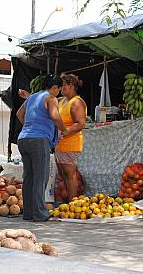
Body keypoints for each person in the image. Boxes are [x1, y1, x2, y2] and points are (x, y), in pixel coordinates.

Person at [16, 74, 68, 222]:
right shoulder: (50, 98)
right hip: (38, 141)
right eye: (58, 89)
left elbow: (19, 114)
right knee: (40, 177)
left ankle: (28, 213)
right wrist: (63, 129)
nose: (58, 92)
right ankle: (40, 213)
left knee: (29, 177)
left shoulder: (32, 98)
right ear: (54, 88)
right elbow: (55, 116)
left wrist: (30, 125)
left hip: (23, 139)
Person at [54, 74, 87, 202]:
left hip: (71, 143)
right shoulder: (62, 100)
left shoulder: (77, 102)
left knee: (70, 174)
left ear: (71, 86)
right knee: (63, 174)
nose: (61, 88)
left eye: (63, 85)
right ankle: (68, 201)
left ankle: (73, 203)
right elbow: (46, 101)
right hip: (60, 143)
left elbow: (80, 123)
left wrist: (65, 132)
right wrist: (29, 97)